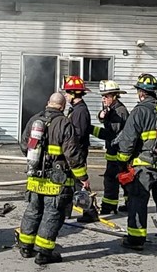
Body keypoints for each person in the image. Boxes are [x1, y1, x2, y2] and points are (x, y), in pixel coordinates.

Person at [17, 92, 89, 265]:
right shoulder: (64, 123)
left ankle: (25, 247)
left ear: (48, 103)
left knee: (33, 210)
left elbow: (24, 145)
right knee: (52, 214)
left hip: (35, 178)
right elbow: (72, 154)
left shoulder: (35, 119)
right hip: (56, 180)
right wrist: (83, 177)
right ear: (63, 106)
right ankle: (44, 253)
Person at [115, 73, 157, 251]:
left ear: (141, 93)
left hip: (144, 166)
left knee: (138, 200)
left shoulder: (139, 111)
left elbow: (128, 141)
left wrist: (121, 162)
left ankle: (136, 240)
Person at [90, 80, 129, 215]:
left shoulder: (119, 111)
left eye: (106, 96)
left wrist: (90, 129)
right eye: (103, 96)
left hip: (118, 151)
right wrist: (101, 116)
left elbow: (111, 134)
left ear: (114, 96)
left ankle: (109, 206)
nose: (103, 99)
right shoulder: (113, 110)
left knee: (112, 179)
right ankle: (129, 204)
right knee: (121, 178)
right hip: (115, 151)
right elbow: (106, 119)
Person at [62, 75, 98, 223]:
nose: (65, 95)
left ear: (74, 93)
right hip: (73, 151)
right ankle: (66, 211)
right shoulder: (75, 109)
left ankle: (90, 212)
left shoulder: (80, 111)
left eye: (67, 92)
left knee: (79, 182)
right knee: (69, 182)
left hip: (77, 152)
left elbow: (78, 134)